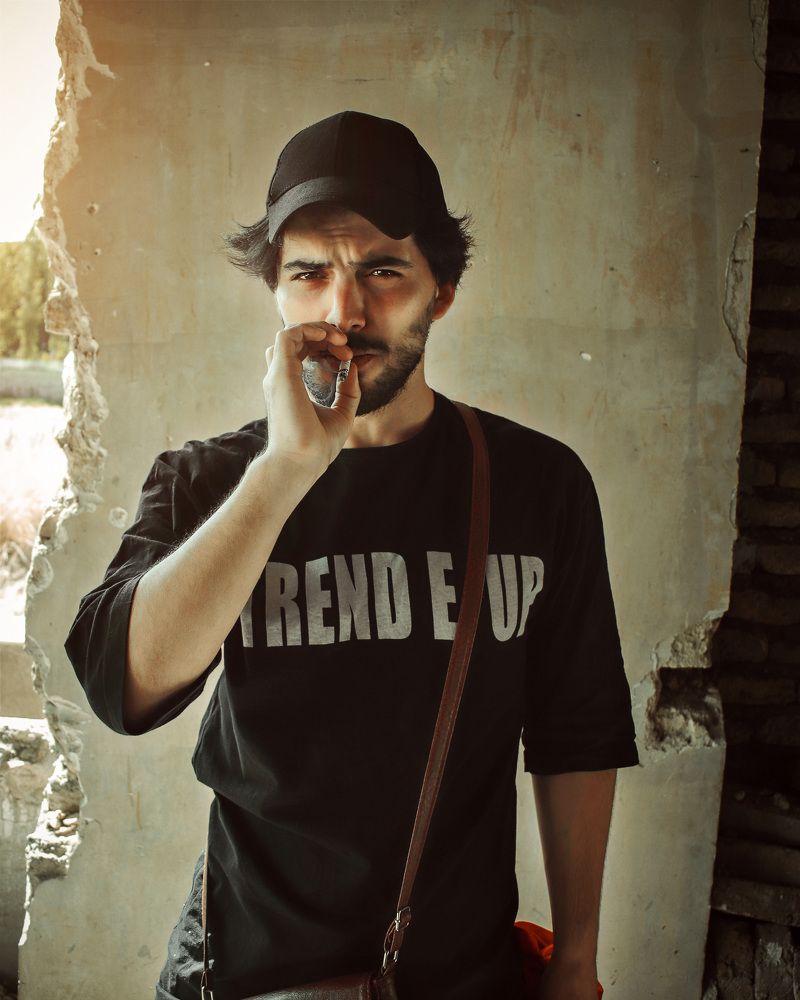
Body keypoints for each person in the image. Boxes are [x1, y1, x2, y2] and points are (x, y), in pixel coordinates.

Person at [65, 110, 639, 1000]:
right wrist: (285, 471)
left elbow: (577, 734)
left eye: (383, 270)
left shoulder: (538, 484)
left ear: (441, 290)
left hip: (460, 979)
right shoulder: (209, 479)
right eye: (309, 274)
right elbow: (122, 690)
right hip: (241, 975)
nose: (345, 312)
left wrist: (577, 962)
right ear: (277, 294)